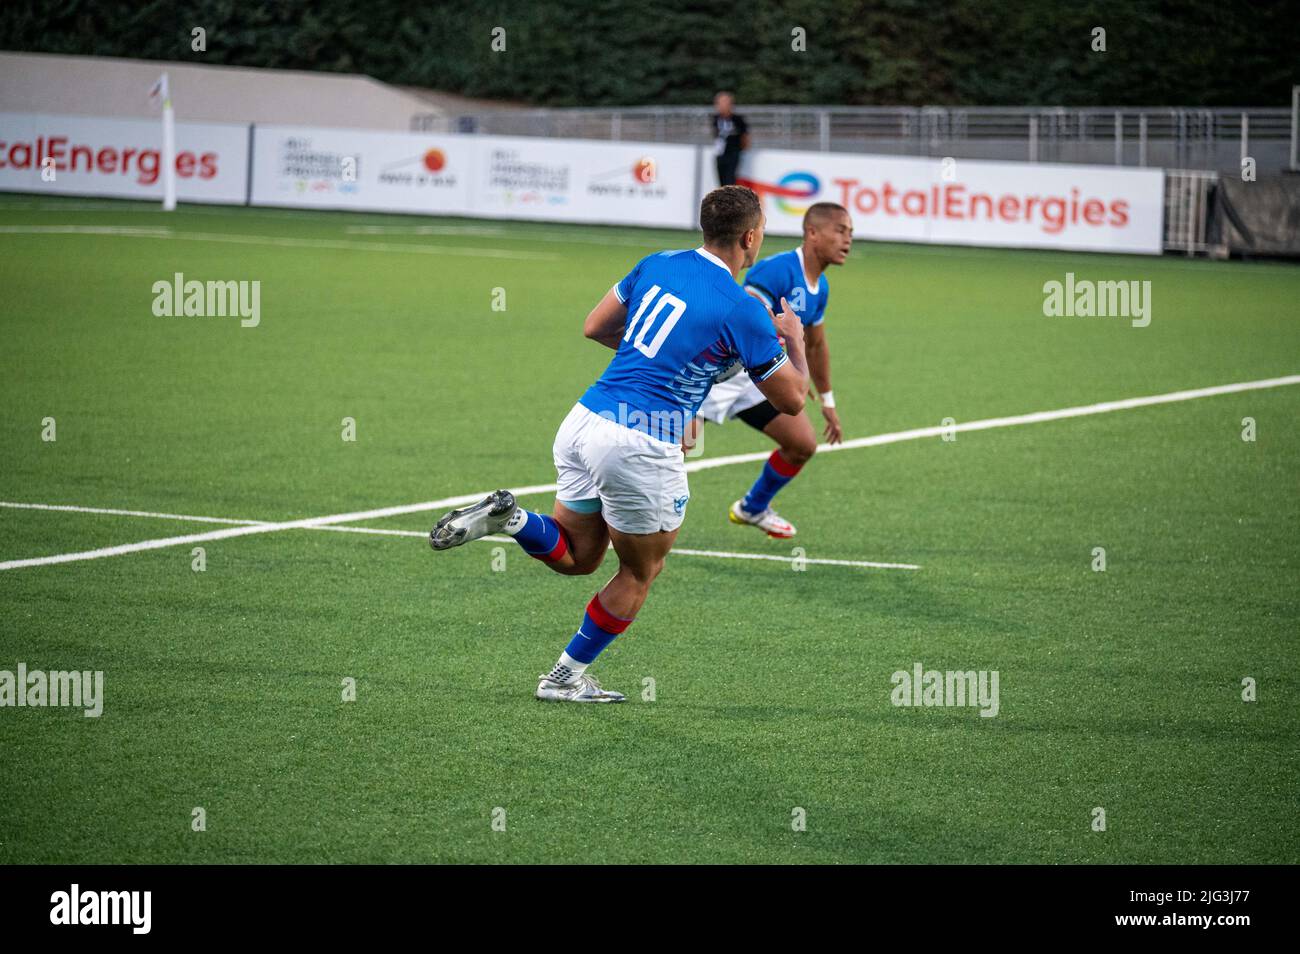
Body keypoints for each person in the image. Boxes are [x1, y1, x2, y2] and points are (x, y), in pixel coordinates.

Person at [428, 186, 808, 703]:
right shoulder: (743, 308)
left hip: (585, 420)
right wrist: (796, 344)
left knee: (580, 557)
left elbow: (595, 327)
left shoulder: (658, 262)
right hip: (639, 441)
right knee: (640, 570)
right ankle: (562, 678)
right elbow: (791, 401)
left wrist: (670, 364)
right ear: (751, 236)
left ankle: (510, 519)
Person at [689, 202, 853, 539]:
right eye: (840, 231)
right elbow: (741, 316)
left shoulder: (819, 288)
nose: (848, 240)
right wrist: (786, 355)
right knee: (670, 450)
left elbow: (816, 345)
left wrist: (827, 399)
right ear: (812, 233)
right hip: (721, 371)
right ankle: (604, 516)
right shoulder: (777, 271)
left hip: (759, 376)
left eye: (850, 233)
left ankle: (753, 507)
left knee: (802, 444)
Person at [712, 91, 749, 186]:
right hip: (720, 154)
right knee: (721, 181)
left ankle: (729, 200)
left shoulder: (738, 119)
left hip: (733, 153)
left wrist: (741, 149)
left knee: (730, 180)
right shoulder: (716, 118)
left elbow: (745, 136)